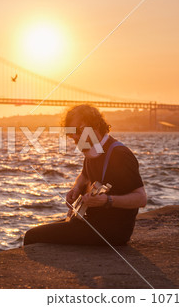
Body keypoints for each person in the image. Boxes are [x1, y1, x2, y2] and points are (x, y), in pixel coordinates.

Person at [24, 105, 147, 246]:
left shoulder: (119, 155)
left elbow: (141, 198)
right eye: (70, 133)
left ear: (93, 126)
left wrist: (108, 200)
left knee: (32, 236)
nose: (73, 136)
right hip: (90, 222)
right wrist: (76, 188)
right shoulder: (92, 150)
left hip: (110, 232)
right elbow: (84, 175)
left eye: (77, 131)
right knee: (43, 233)